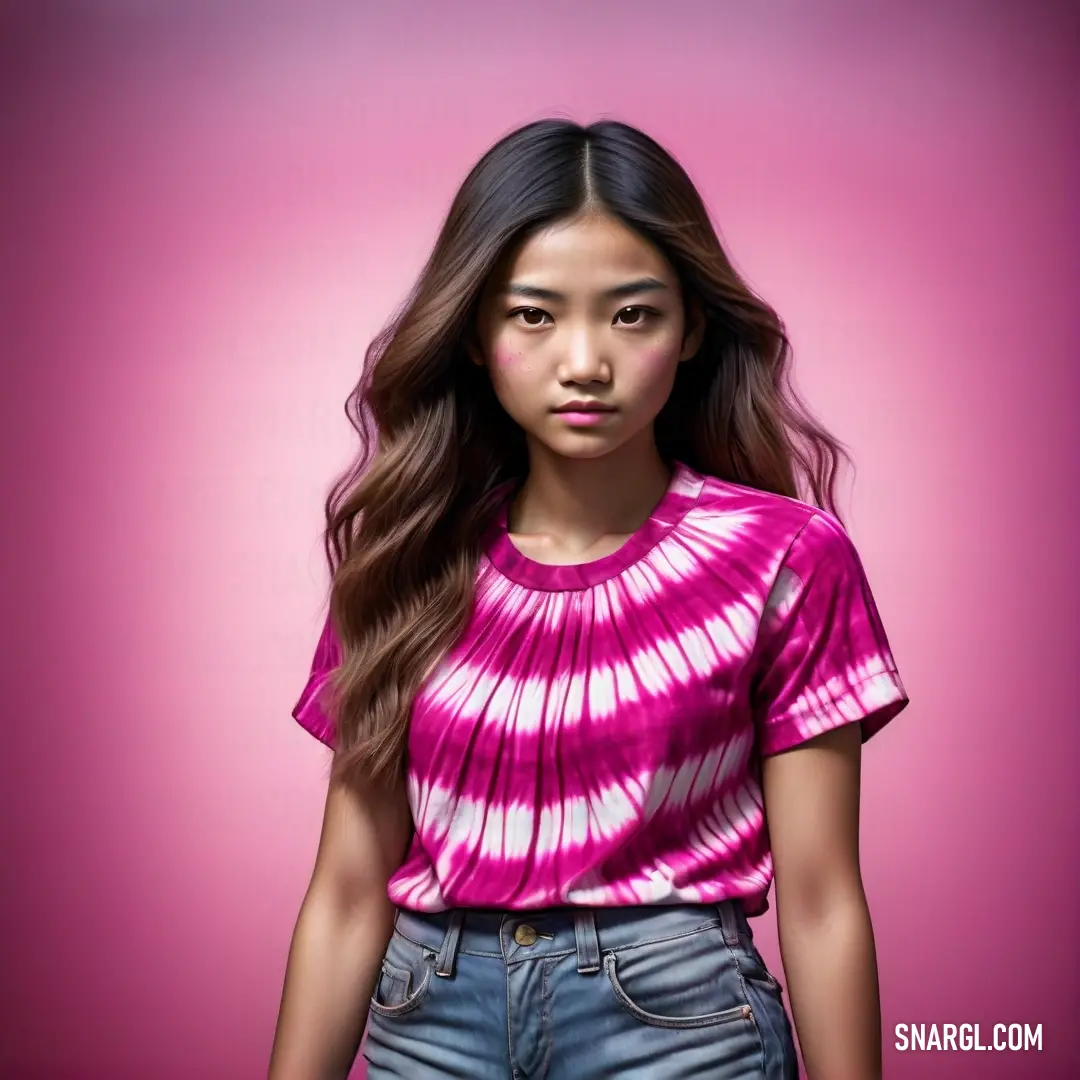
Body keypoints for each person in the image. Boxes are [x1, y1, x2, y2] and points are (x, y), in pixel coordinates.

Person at [268, 118, 909, 1080]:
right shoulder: (408, 556)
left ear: (692, 327)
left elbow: (822, 898)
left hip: (678, 1027)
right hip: (427, 1025)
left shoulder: (784, 556)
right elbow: (348, 892)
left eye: (632, 314)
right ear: (477, 335)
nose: (584, 363)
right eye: (534, 315)